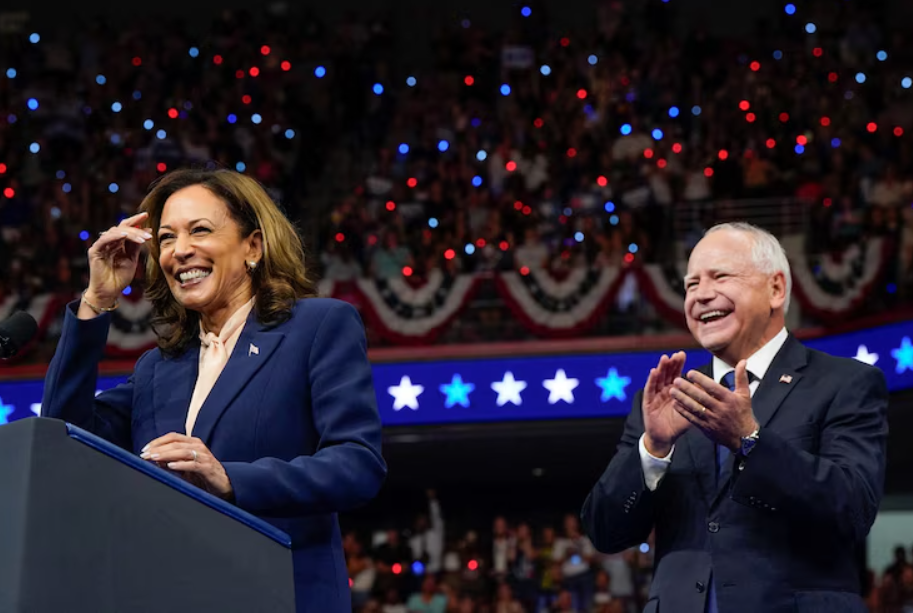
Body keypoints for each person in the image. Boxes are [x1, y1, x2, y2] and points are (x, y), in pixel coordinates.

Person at [40, 168, 387, 613]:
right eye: (165, 239)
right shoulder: (157, 368)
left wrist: (230, 480)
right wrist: (97, 301)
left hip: (283, 596)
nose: (180, 251)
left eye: (199, 230)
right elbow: (63, 436)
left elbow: (358, 464)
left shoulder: (318, 327)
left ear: (253, 247)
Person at [581, 222, 888, 613]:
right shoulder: (666, 398)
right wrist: (653, 449)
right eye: (691, 285)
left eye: (719, 276)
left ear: (776, 289)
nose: (701, 295)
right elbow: (605, 532)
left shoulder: (845, 383)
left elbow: (853, 511)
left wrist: (751, 440)